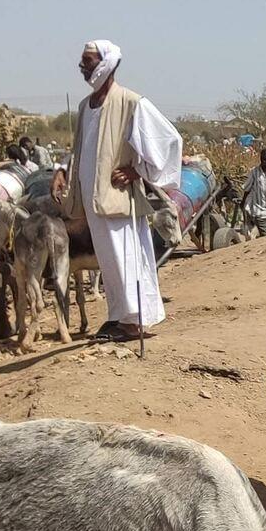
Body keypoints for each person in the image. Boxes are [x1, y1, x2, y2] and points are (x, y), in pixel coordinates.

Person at [66, 40, 178, 343]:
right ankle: (119, 316)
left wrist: (137, 171)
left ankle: (134, 321)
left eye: (88, 60)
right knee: (109, 260)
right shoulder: (84, 106)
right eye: (83, 61)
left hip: (119, 196)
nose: (84, 66)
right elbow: (82, 149)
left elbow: (167, 140)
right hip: (93, 199)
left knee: (126, 256)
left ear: (107, 63)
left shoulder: (131, 102)